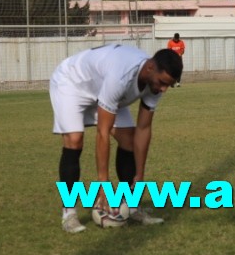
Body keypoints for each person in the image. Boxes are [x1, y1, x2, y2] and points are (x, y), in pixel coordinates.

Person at [51, 44, 183, 233]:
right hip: (72, 83)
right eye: (162, 83)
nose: (163, 89)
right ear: (150, 68)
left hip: (103, 90)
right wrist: (103, 182)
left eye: (168, 85)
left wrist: (140, 174)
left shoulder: (155, 85)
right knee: (74, 139)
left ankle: (131, 207)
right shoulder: (121, 75)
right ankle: (69, 213)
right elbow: (103, 132)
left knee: (128, 140)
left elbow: (143, 129)